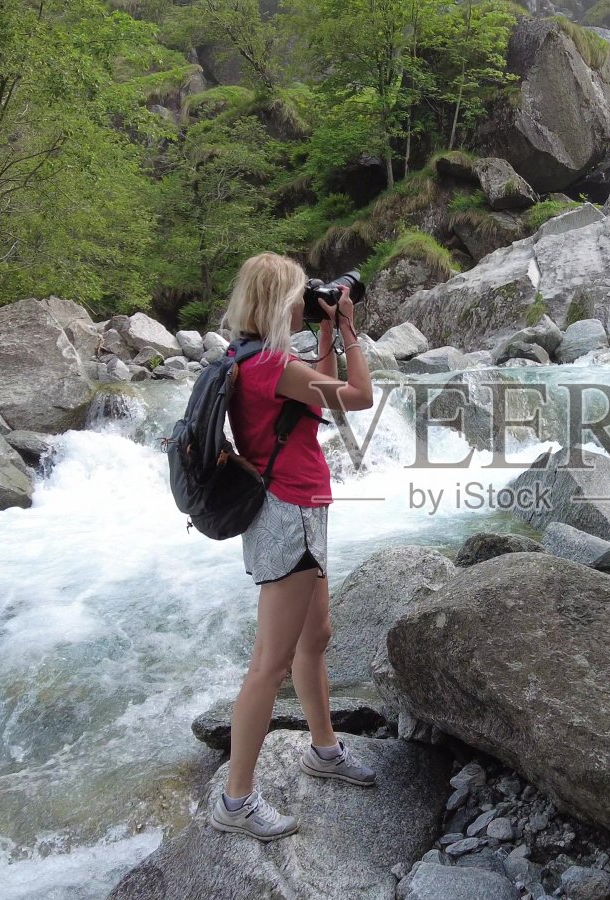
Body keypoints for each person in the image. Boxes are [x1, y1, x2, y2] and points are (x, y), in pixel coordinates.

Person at [209, 251, 377, 841]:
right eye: (302, 295)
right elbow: (356, 397)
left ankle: (323, 750)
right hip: (288, 517)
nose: (310, 302)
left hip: (299, 508)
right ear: (280, 302)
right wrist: (351, 330)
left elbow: (316, 396)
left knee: (316, 637)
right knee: (269, 664)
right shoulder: (269, 368)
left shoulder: (258, 361)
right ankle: (236, 799)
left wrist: (326, 332)